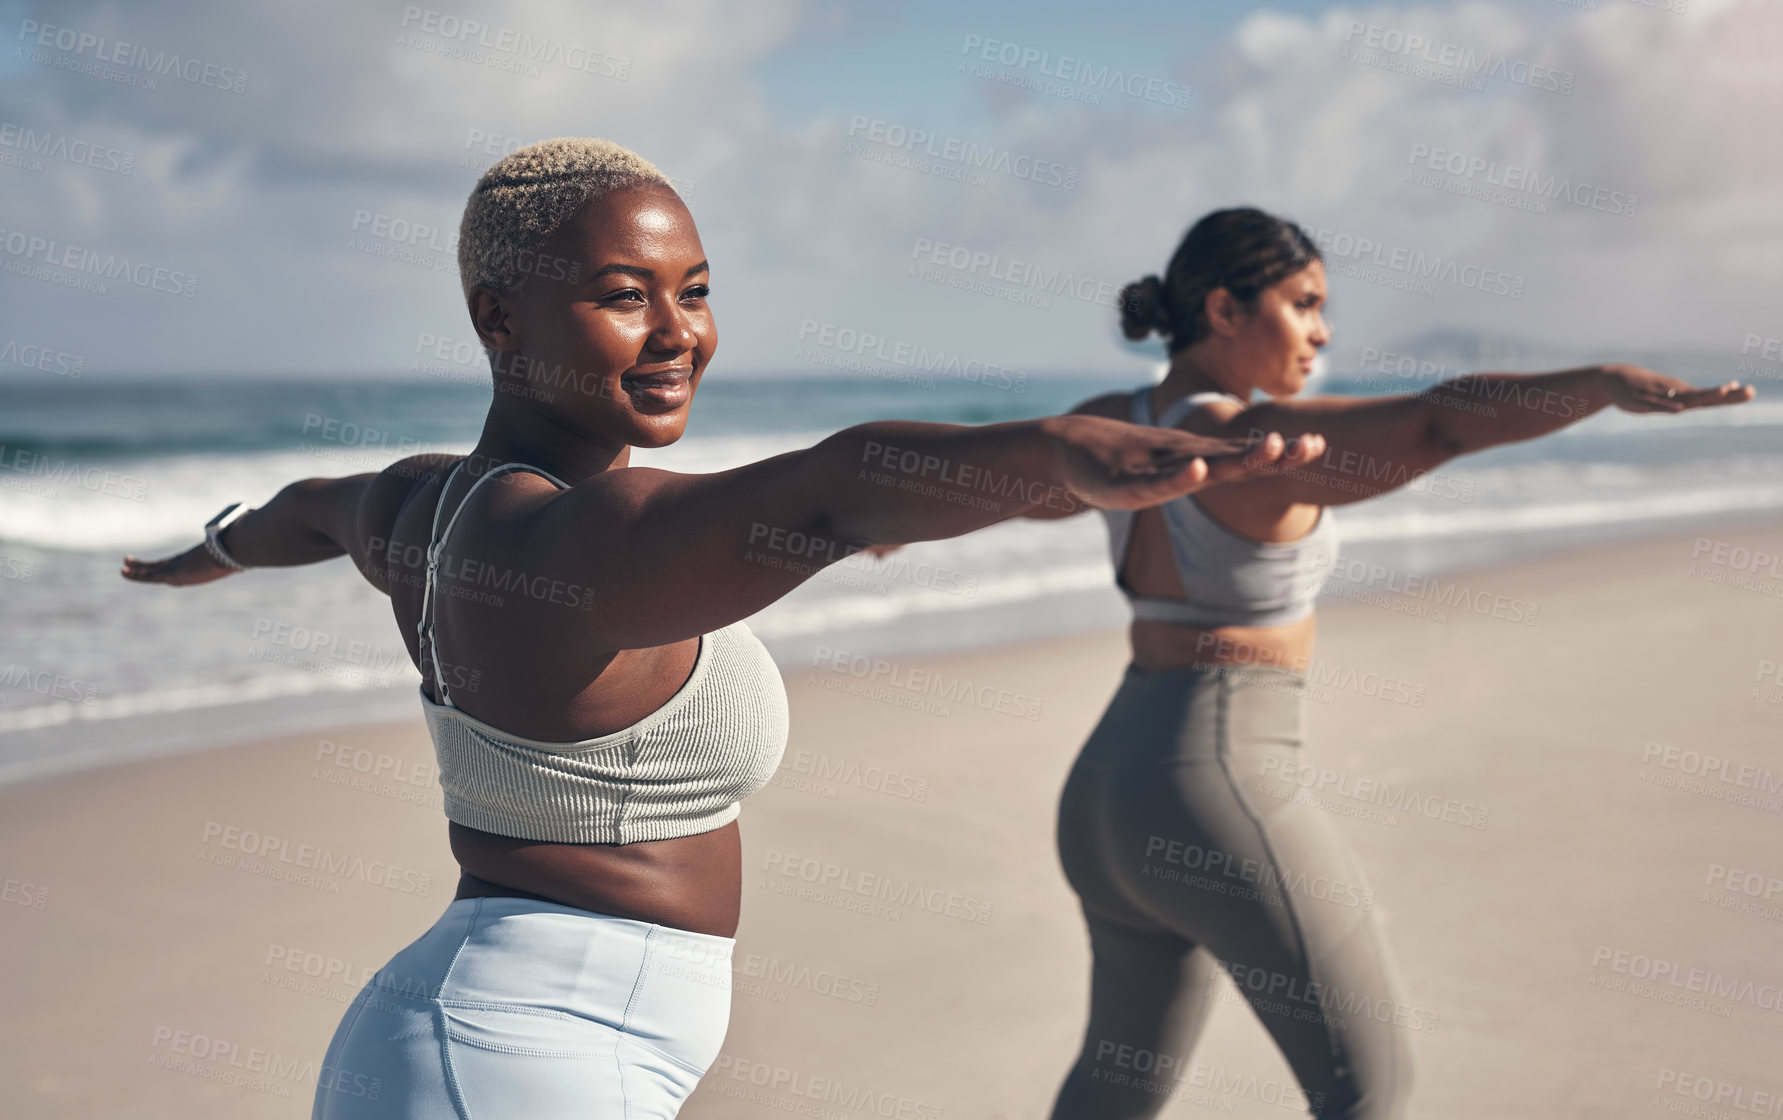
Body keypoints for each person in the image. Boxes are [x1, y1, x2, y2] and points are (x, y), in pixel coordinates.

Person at [119, 141, 1321, 1120]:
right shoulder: (569, 543)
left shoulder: (417, 503)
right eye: (619, 295)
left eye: (693, 290)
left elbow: (302, 516)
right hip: (511, 1057)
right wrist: (1055, 449)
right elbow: (829, 493)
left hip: (507, 1037)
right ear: (499, 319)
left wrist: (211, 548)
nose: (675, 332)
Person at [1042, 206, 1754, 1119]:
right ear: (1224, 309)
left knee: (1112, 1089)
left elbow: (1017, 483)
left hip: (1105, 792)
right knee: (1367, 1092)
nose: (1322, 332)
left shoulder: (1115, 424)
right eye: (1303, 305)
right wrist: (1597, 383)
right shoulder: (1253, 444)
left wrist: (876, 526)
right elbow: (1435, 425)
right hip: (1215, 784)